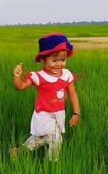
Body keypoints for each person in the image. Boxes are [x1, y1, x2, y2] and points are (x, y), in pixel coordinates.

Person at [11, 33, 80, 161]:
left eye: (63, 60)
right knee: (56, 139)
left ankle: (18, 152)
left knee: (40, 139)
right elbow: (20, 86)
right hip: (44, 115)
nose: (59, 64)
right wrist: (17, 77)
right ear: (43, 59)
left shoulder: (66, 75)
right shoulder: (39, 76)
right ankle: (53, 165)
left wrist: (76, 112)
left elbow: (72, 94)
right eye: (54, 60)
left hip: (58, 115)